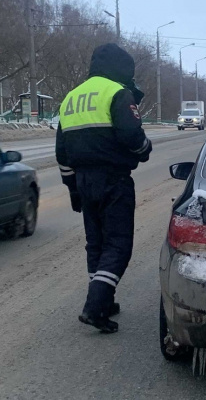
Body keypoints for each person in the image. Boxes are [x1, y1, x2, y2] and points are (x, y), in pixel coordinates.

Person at [55, 43, 152, 333]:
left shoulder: (71, 98)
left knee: (96, 243)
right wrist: (145, 148)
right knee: (118, 244)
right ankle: (95, 307)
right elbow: (132, 136)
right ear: (123, 68)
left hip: (83, 181)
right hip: (114, 179)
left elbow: (62, 151)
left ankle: (104, 300)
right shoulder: (117, 93)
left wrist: (72, 187)